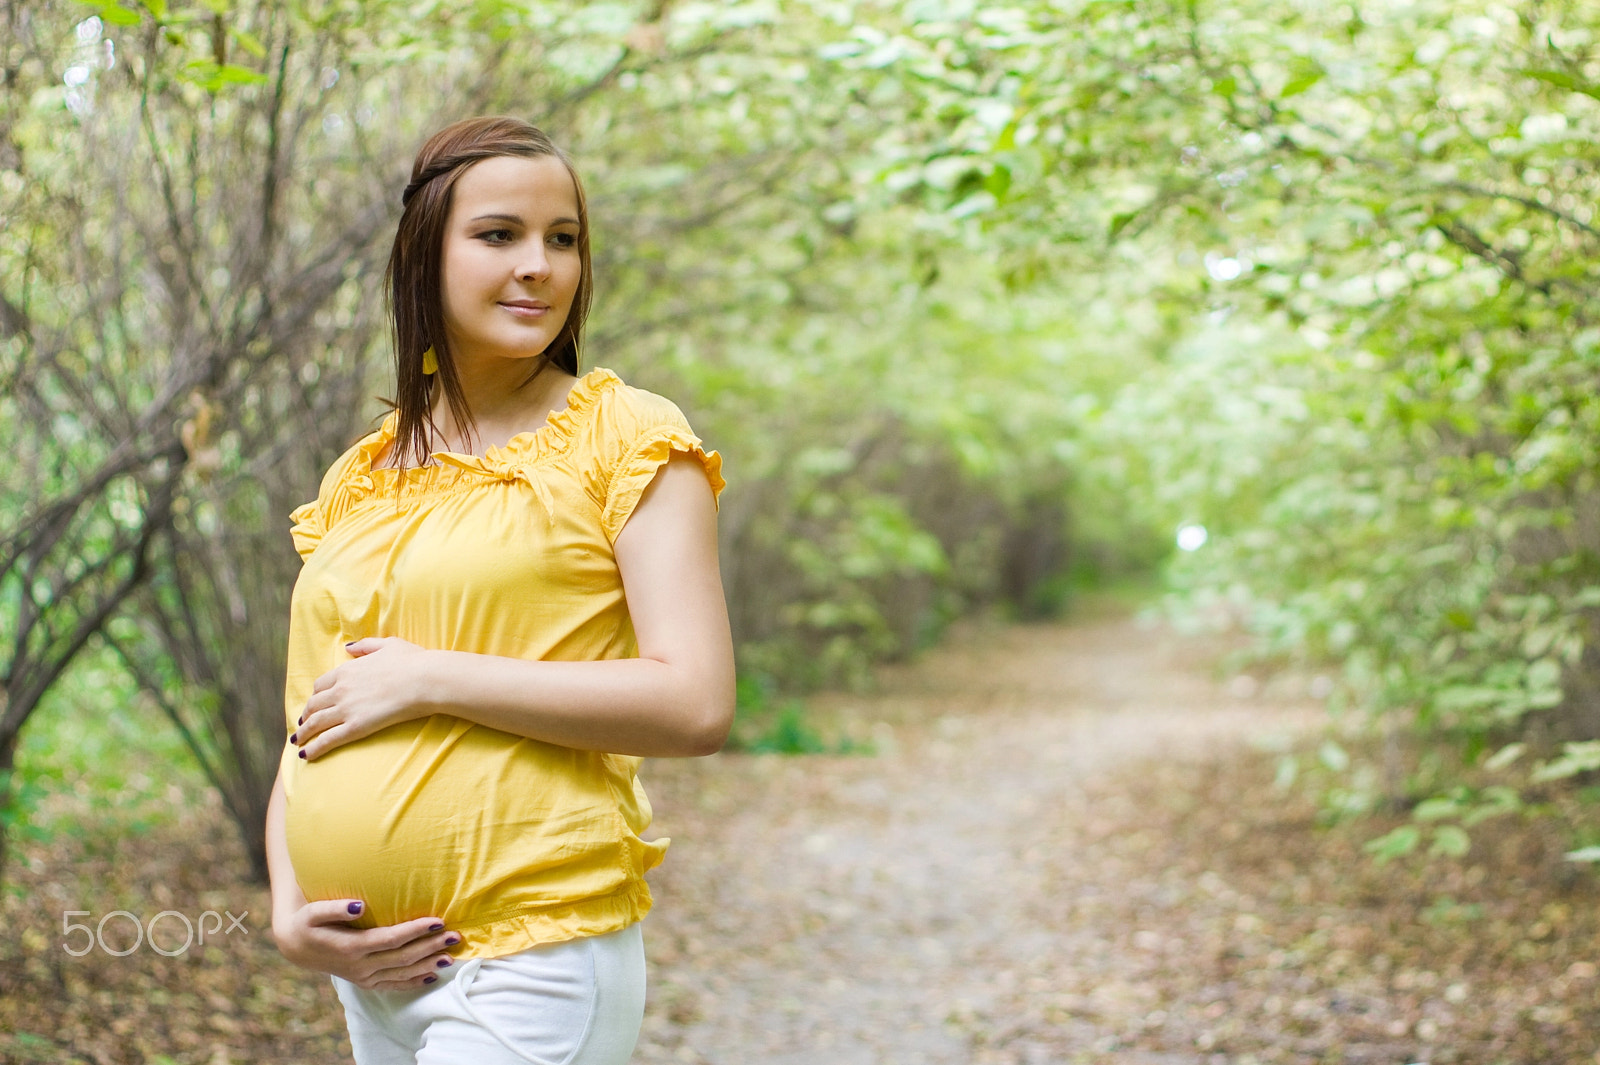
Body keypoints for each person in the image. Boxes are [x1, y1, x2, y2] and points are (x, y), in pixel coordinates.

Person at [263, 115, 735, 1065]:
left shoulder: (626, 436)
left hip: (534, 951)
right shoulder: (365, 474)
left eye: (563, 239)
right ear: (421, 253)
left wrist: (434, 676)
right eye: (499, 235)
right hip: (378, 970)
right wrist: (286, 910)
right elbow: (310, 722)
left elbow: (695, 703)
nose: (540, 265)